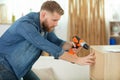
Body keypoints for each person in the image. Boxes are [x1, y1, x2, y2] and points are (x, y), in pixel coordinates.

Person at [0, 1, 95, 80]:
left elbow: (58, 43)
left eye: (58, 20)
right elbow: (45, 45)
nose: (56, 24)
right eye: (54, 20)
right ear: (44, 14)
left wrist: (73, 46)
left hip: (22, 67)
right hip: (4, 66)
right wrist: (77, 60)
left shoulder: (45, 26)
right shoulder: (25, 25)